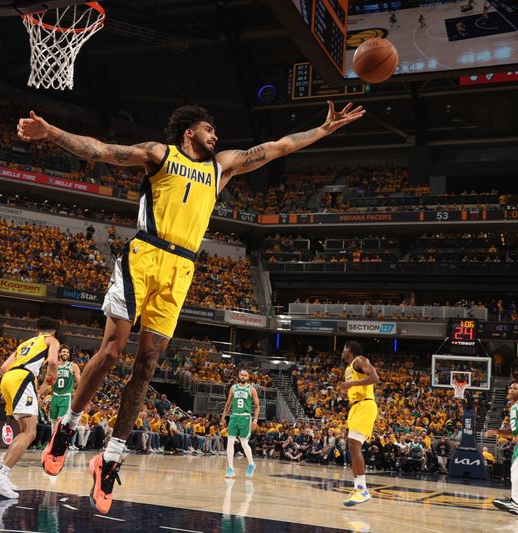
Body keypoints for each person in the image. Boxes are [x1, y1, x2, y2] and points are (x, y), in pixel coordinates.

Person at [18, 100, 364, 513]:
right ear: (188, 132)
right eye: (207, 128)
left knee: (146, 366)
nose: (214, 135)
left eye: (215, 131)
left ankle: (109, 459)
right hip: (145, 254)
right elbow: (102, 150)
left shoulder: (222, 167)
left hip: (182, 268)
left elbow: (278, 146)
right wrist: (51, 132)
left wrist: (323, 130)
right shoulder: (159, 154)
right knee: (112, 351)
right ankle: (66, 427)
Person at [0, 317, 60, 499]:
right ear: (54, 331)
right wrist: (49, 379)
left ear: (37, 330)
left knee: (23, 431)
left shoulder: (25, 344)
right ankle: (2, 475)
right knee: (30, 433)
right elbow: (52, 362)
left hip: (9, 379)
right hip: (22, 379)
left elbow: (4, 367)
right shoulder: (52, 340)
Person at [338, 341, 380, 506]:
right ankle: (358, 488)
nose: (342, 352)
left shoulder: (360, 360)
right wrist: (347, 389)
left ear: (349, 349)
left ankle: (362, 489)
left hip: (366, 404)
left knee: (354, 444)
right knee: (352, 446)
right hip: (355, 407)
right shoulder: (348, 369)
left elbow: (375, 378)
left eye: (344, 348)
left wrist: (352, 384)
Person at [220, 369, 259, 478]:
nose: (243, 376)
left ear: (248, 376)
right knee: (230, 441)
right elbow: (228, 404)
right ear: (238, 376)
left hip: (245, 418)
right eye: (241, 375)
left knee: (244, 443)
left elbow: (257, 406)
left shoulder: (251, 389)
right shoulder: (233, 388)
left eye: (245, 375)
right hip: (233, 417)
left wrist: (255, 420)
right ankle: (230, 468)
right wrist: (223, 417)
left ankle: (251, 463)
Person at [486, 382, 518, 515]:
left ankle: (515, 503)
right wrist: (497, 432)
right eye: (510, 387)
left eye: (515, 388)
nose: (511, 390)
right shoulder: (514, 406)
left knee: (516, 471)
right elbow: (513, 431)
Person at [48, 345, 80, 431]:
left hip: (65, 396)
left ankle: (59, 443)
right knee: (53, 422)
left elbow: (80, 382)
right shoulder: (54, 366)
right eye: (63, 352)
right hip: (54, 396)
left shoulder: (73, 366)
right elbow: (47, 381)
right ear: (59, 353)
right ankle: (52, 442)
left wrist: (78, 393)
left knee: (61, 421)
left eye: (67, 352)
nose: (65, 353)